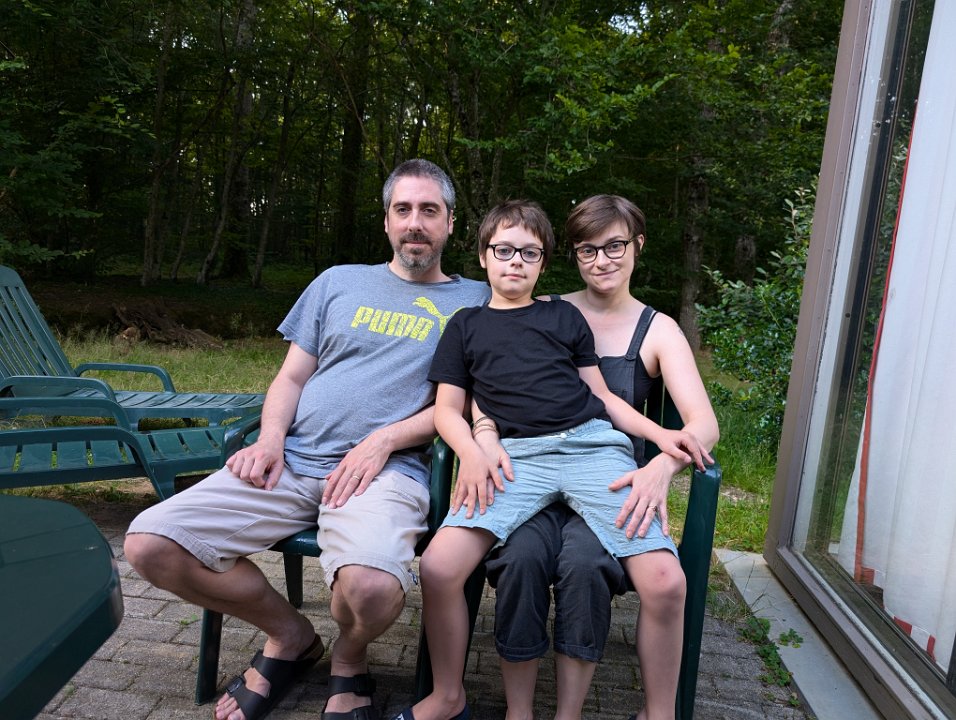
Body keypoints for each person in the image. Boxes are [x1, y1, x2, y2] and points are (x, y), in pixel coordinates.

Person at [123, 159, 490, 720]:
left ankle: (349, 654)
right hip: (290, 462)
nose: (415, 222)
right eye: (403, 209)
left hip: (385, 474)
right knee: (150, 544)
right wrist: (270, 438)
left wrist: (384, 440)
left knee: (371, 590)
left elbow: (460, 403)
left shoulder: (478, 300)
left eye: (429, 210)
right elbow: (292, 377)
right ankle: (290, 635)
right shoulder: (337, 281)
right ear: (386, 221)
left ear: (450, 222)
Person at [391, 200, 710, 720]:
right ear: (483, 255)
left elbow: (601, 396)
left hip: (591, 450)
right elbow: (450, 408)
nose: (515, 261)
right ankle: (448, 695)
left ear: (543, 262)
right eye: (504, 250)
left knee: (666, 581)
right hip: (516, 460)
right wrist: (473, 448)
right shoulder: (465, 325)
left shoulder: (563, 316)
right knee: (439, 566)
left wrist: (662, 438)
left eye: (529, 253)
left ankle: (660, 713)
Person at [486, 194, 720, 720]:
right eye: (587, 250)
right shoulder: (544, 309)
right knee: (521, 557)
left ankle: (649, 711)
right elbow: (488, 379)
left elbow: (704, 424)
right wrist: (483, 437)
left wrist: (662, 466)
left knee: (594, 565)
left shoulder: (657, 329)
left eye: (614, 246)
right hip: (531, 475)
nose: (601, 261)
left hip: (611, 484)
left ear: (637, 245)